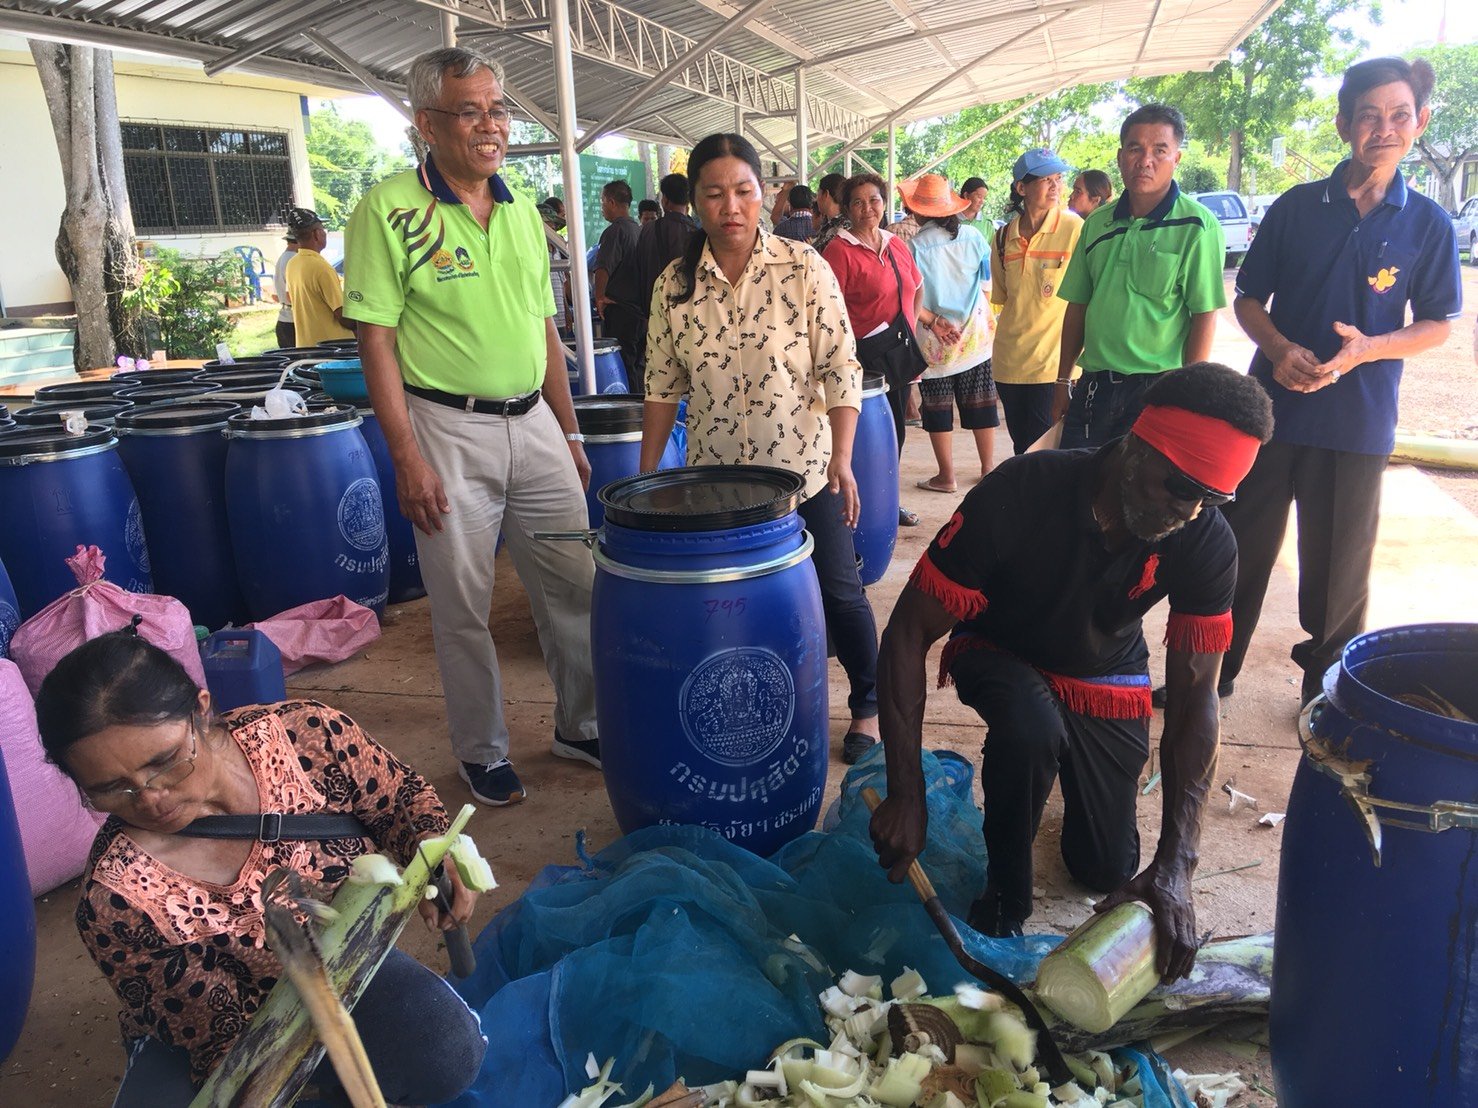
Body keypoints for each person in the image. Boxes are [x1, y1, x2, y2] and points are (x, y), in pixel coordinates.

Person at [869, 363, 1273, 980]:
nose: (1188, 512)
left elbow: (1196, 699)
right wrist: (906, 792)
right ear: (1140, 445)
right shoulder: (1024, 489)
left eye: (1209, 499)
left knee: (1107, 869)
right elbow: (906, 633)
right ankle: (1003, 899)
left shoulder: (1206, 540)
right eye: (1179, 487)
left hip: (1104, 671)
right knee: (1031, 728)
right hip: (1000, 646)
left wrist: (1177, 863)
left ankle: (1068, 778)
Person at [38, 631, 486, 1106]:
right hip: (227, 1019)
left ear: (200, 711)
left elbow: (399, 800)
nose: (150, 798)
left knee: (444, 1054)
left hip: (340, 956)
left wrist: (440, 851)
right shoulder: (116, 902)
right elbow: (222, 1035)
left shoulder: (308, 737)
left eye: (165, 761)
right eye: (110, 789)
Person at [343, 46, 599, 807]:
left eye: (498, 108)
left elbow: (544, 329)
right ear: (427, 123)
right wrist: (406, 457)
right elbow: (376, 341)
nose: (491, 125)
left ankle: (580, 726)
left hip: (537, 425)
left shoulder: (520, 208)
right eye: (470, 110)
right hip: (447, 431)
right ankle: (482, 749)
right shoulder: (389, 209)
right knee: (462, 602)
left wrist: (572, 432)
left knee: (576, 584)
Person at [1212, 56, 1462, 709]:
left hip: (1358, 419)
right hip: (1269, 412)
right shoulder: (1297, 207)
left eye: (1400, 115)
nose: (1385, 129)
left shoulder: (1428, 224)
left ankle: (1323, 693)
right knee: (1237, 547)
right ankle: (1214, 675)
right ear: (1344, 123)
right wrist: (1279, 346)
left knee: (1338, 571)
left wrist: (1368, 349)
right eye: (1370, 116)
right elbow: (1247, 298)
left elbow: (1437, 324)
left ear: (1420, 122)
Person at [638, 132, 882, 767]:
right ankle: (759, 712)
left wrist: (842, 459)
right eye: (714, 194)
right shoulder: (676, 283)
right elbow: (664, 383)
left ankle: (868, 707)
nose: (731, 207)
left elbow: (841, 369)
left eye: (744, 191)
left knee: (840, 592)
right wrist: (645, 479)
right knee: (730, 608)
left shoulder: (804, 267)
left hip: (804, 471)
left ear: (765, 194)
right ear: (694, 202)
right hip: (718, 486)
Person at [1054, 105, 1227, 448]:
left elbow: (1204, 315)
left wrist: (1189, 396)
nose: (1145, 160)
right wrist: (1062, 381)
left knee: (1143, 495)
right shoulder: (1097, 224)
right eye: (1135, 148)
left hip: (1159, 389)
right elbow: (1078, 306)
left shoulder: (1197, 226)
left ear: (1176, 158)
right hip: (1095, 385)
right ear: (1120, 157)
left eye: (1159, 150)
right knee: (1077, 487)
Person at [822, 172, 941, 529]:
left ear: (884, 203)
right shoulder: (838, 252)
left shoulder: (895, 244)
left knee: (895, 434)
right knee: (861, 441)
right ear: (846, 209)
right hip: (862, 365)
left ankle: (887, 503)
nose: (867, 209)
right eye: (857, 202)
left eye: (874, 200)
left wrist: (918, 322)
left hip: (898, 356)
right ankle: (854, 509)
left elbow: (917, 286)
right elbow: (827, 312)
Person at [898, 173, 999, 492]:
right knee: (983, 404)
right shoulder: (975, 238)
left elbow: (910, 298)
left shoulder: (913, 247)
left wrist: (931, 318)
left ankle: (947, 476)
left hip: (934, 340)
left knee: (937, 408)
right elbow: (986, 284)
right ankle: (987, 468)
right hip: (974, 337)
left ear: (916, 212)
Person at [990, 148, 1085, 454]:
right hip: (1009, 364)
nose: (1056, 186)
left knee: (1044, 452)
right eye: (1047, 180)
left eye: (1058, 178)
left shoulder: (1074, 229)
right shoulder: (1004, 238)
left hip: (1053, 367)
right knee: (1023, 448)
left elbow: (1084, 296)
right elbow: (1004, 297)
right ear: (1022, 188)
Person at [593, 179, 646, 385]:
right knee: (637, 365)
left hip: (620, 309)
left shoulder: (615, 232)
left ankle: (632, 411)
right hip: (639, 311)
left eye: (602, 202)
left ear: (611, 202)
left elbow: (603, 267)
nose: (602, 207)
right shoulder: (639, 231)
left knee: (624, 366)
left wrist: (599, 297)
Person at [283, 207, 355, 347]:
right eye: (323, 230)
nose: (324, 233)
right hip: (332, 349)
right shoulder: (322, 268)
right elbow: (344, 317)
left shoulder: (293, 264)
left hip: (306, 347)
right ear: (316, 234)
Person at [634, 171, 701, 311]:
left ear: (664, 200)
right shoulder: (697, 234)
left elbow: (638, 269)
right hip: (688, 310)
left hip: (654, 308)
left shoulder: (647, 230)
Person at [271, 224, 297, 348]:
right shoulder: (294, 260)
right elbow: (289, 295)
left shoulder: (283, 257)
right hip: (294, 322)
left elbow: (274, 296)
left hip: (284, 320)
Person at [812, 172, 851, 254]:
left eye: (818, 193)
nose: (816, 199)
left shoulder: (843, 227)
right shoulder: (829, 223)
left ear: (826, 194)